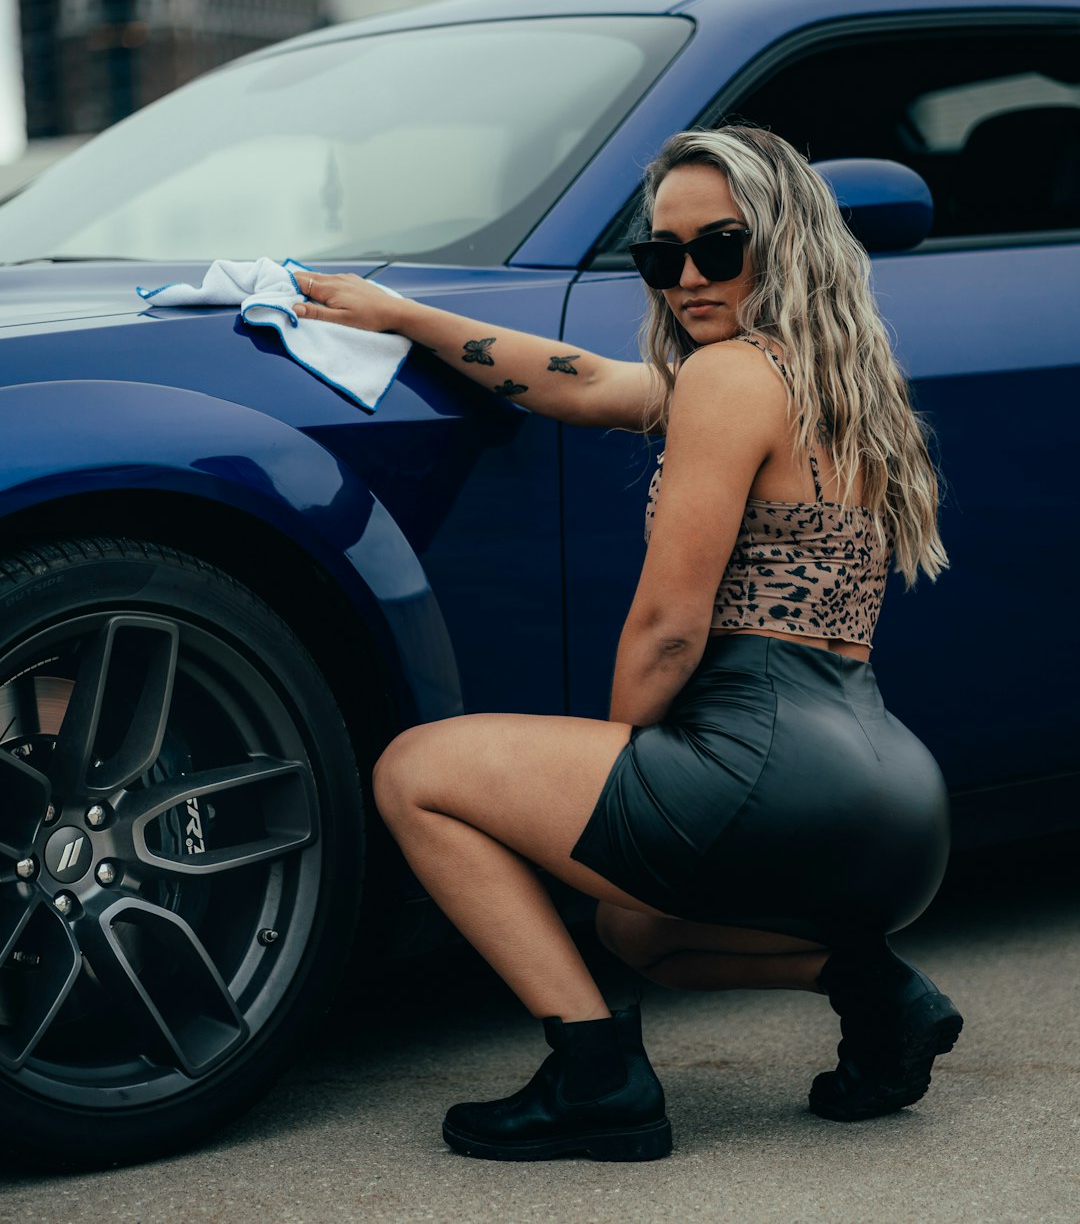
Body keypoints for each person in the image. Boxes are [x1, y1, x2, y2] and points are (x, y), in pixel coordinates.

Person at [292, 125, 963, 1162]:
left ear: (783, 242)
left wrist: (619, 783)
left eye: (719, 248)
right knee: (640, 933)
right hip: (892, 799)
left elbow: (666, 628)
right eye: (661, 256)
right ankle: (877, 990)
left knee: (414, 771)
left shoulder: (730, 376)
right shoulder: (835, 387)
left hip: (761, 765)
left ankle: (594, 1074)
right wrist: (400, 314)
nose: (686, 277)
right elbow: (584, 383)